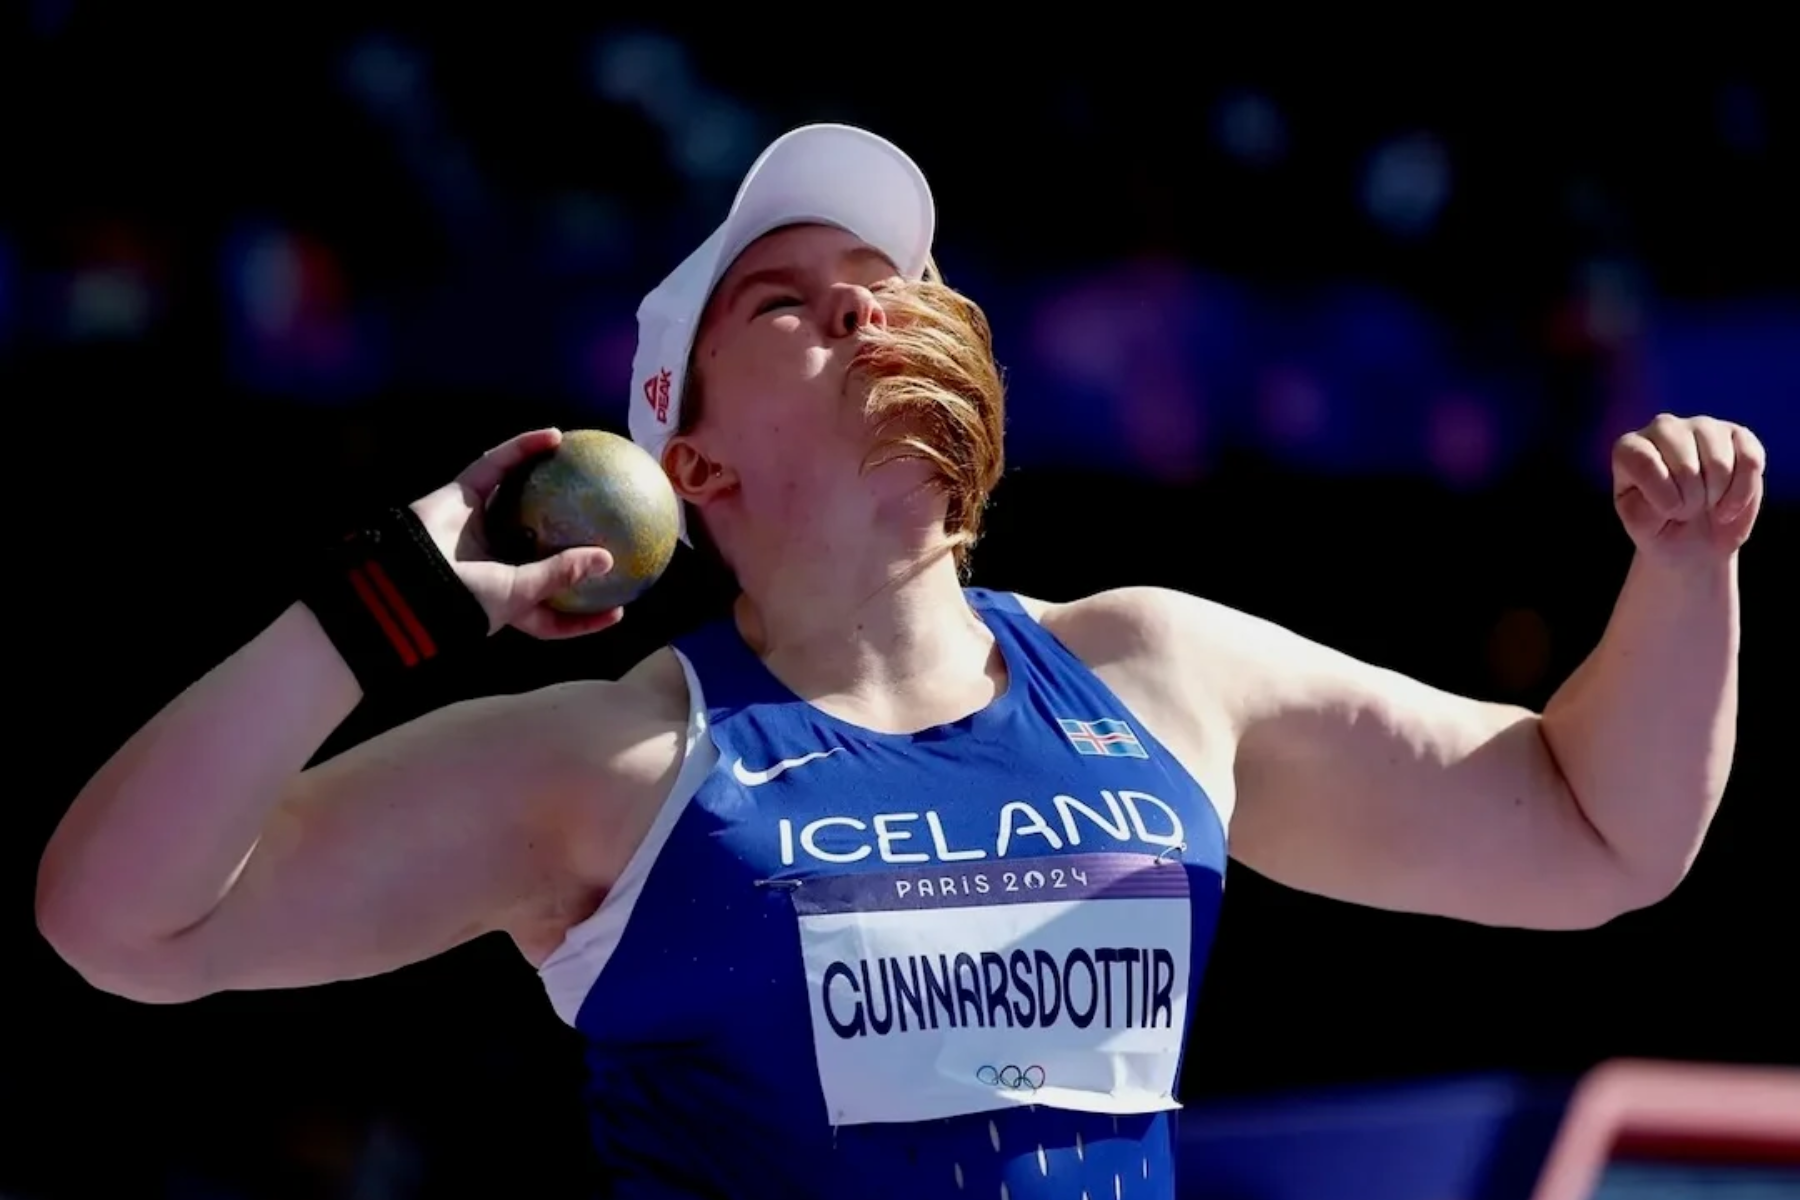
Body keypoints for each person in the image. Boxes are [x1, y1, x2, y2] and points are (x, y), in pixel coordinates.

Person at [36, 124, 1765, 1200]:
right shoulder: (621, 764)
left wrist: (1686, 576)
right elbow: (126, 923)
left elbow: (1598, 836)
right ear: (683, 464)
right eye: (787, 299)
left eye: (890, 280)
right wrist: (383, 607)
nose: (866, 303)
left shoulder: (1160, 673)